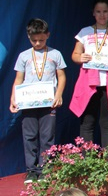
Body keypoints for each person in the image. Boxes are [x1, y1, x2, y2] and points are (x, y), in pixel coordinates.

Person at [9, 19, 67, 183]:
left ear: (48, 35)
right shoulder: (24, 56)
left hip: (49, 102)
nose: (38, 43)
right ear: (29, 37)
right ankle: (32, 171)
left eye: (41, 40)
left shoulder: (55, 54)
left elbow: (61, 76)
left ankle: (45, 169)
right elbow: (18, 79)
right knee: (29, 136)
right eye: (34, 40)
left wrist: (59, 94)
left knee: (47, 136)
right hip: (28, 103)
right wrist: (13, 98)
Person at [69, 0, 108, 147]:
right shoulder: (84, 32)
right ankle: (88, 159)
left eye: (105, 11)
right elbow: (75, 55)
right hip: (89, 82)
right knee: (87, 122)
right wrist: (80, 57)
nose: (102, 15)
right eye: (98, 12)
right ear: (93, 13)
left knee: (107, 123)